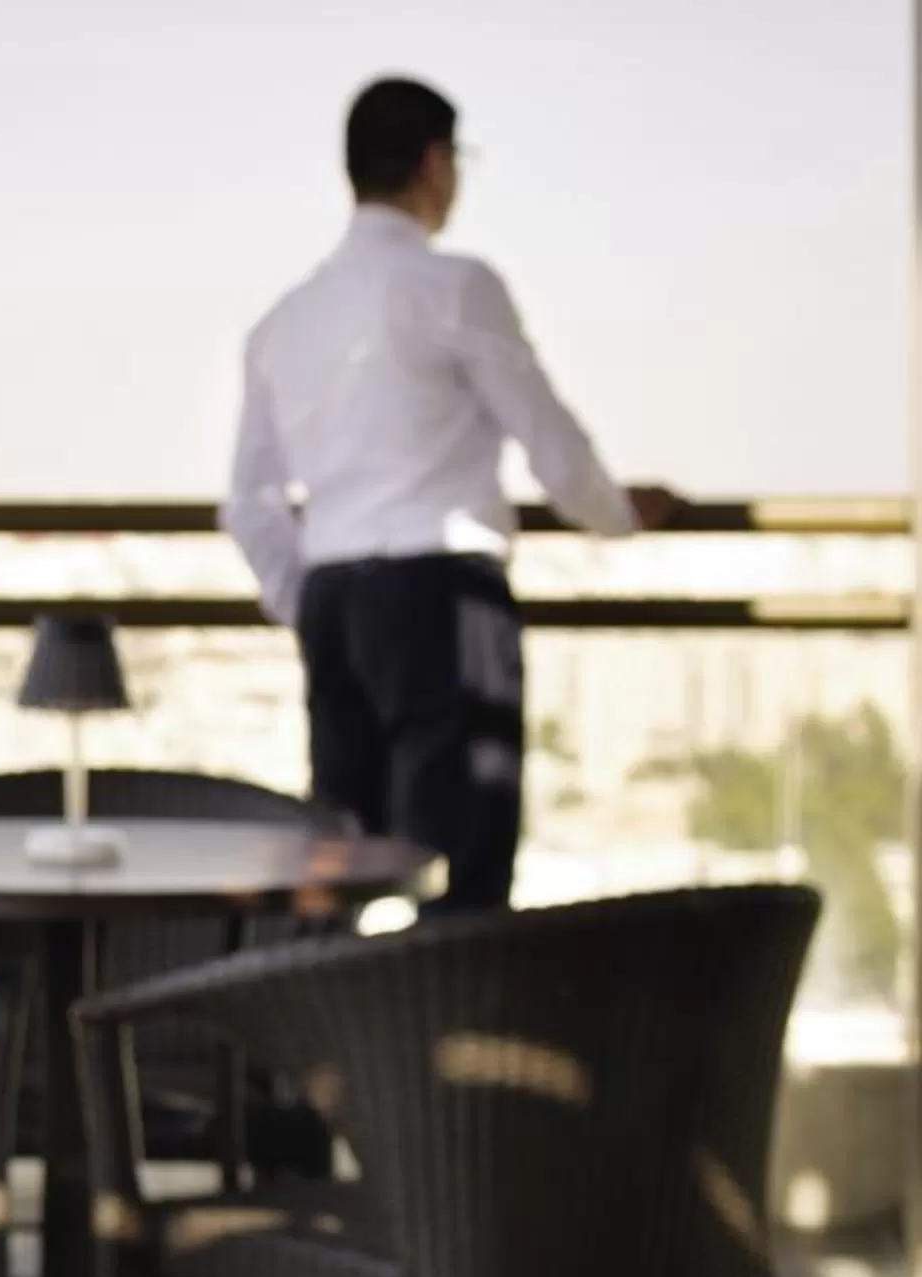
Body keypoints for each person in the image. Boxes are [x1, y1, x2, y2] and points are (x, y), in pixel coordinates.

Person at [221, 75, 677, 909]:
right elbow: (548, 439)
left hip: (334, 599)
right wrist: (615, 516)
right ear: (435, 164)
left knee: (337, 866)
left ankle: (332, 1037)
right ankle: (449, 1036)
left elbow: (247, 504)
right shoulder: (455, 288)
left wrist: (312, 596)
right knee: (462, 862)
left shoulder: (286, 320)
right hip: (440, 595)